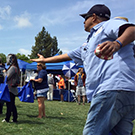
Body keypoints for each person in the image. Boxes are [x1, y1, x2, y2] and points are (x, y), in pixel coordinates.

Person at [30, 4, 135, 135]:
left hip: (111, 88)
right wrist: (44, 60)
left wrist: (117, 43)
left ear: (94, 17)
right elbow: (65, 56)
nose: (83, 22)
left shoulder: (107, 25)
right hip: (127, 91)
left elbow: (132, 29)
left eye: (85, 18)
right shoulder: (88, 43)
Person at [2, 54, 20, 123]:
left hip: (10, 88)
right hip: (12, 88)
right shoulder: (15, 67)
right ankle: (14, 118)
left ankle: (7, 118)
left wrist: (4, 72)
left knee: (10, 104)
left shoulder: (13, 68)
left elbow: (7, 77)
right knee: (11, 104)